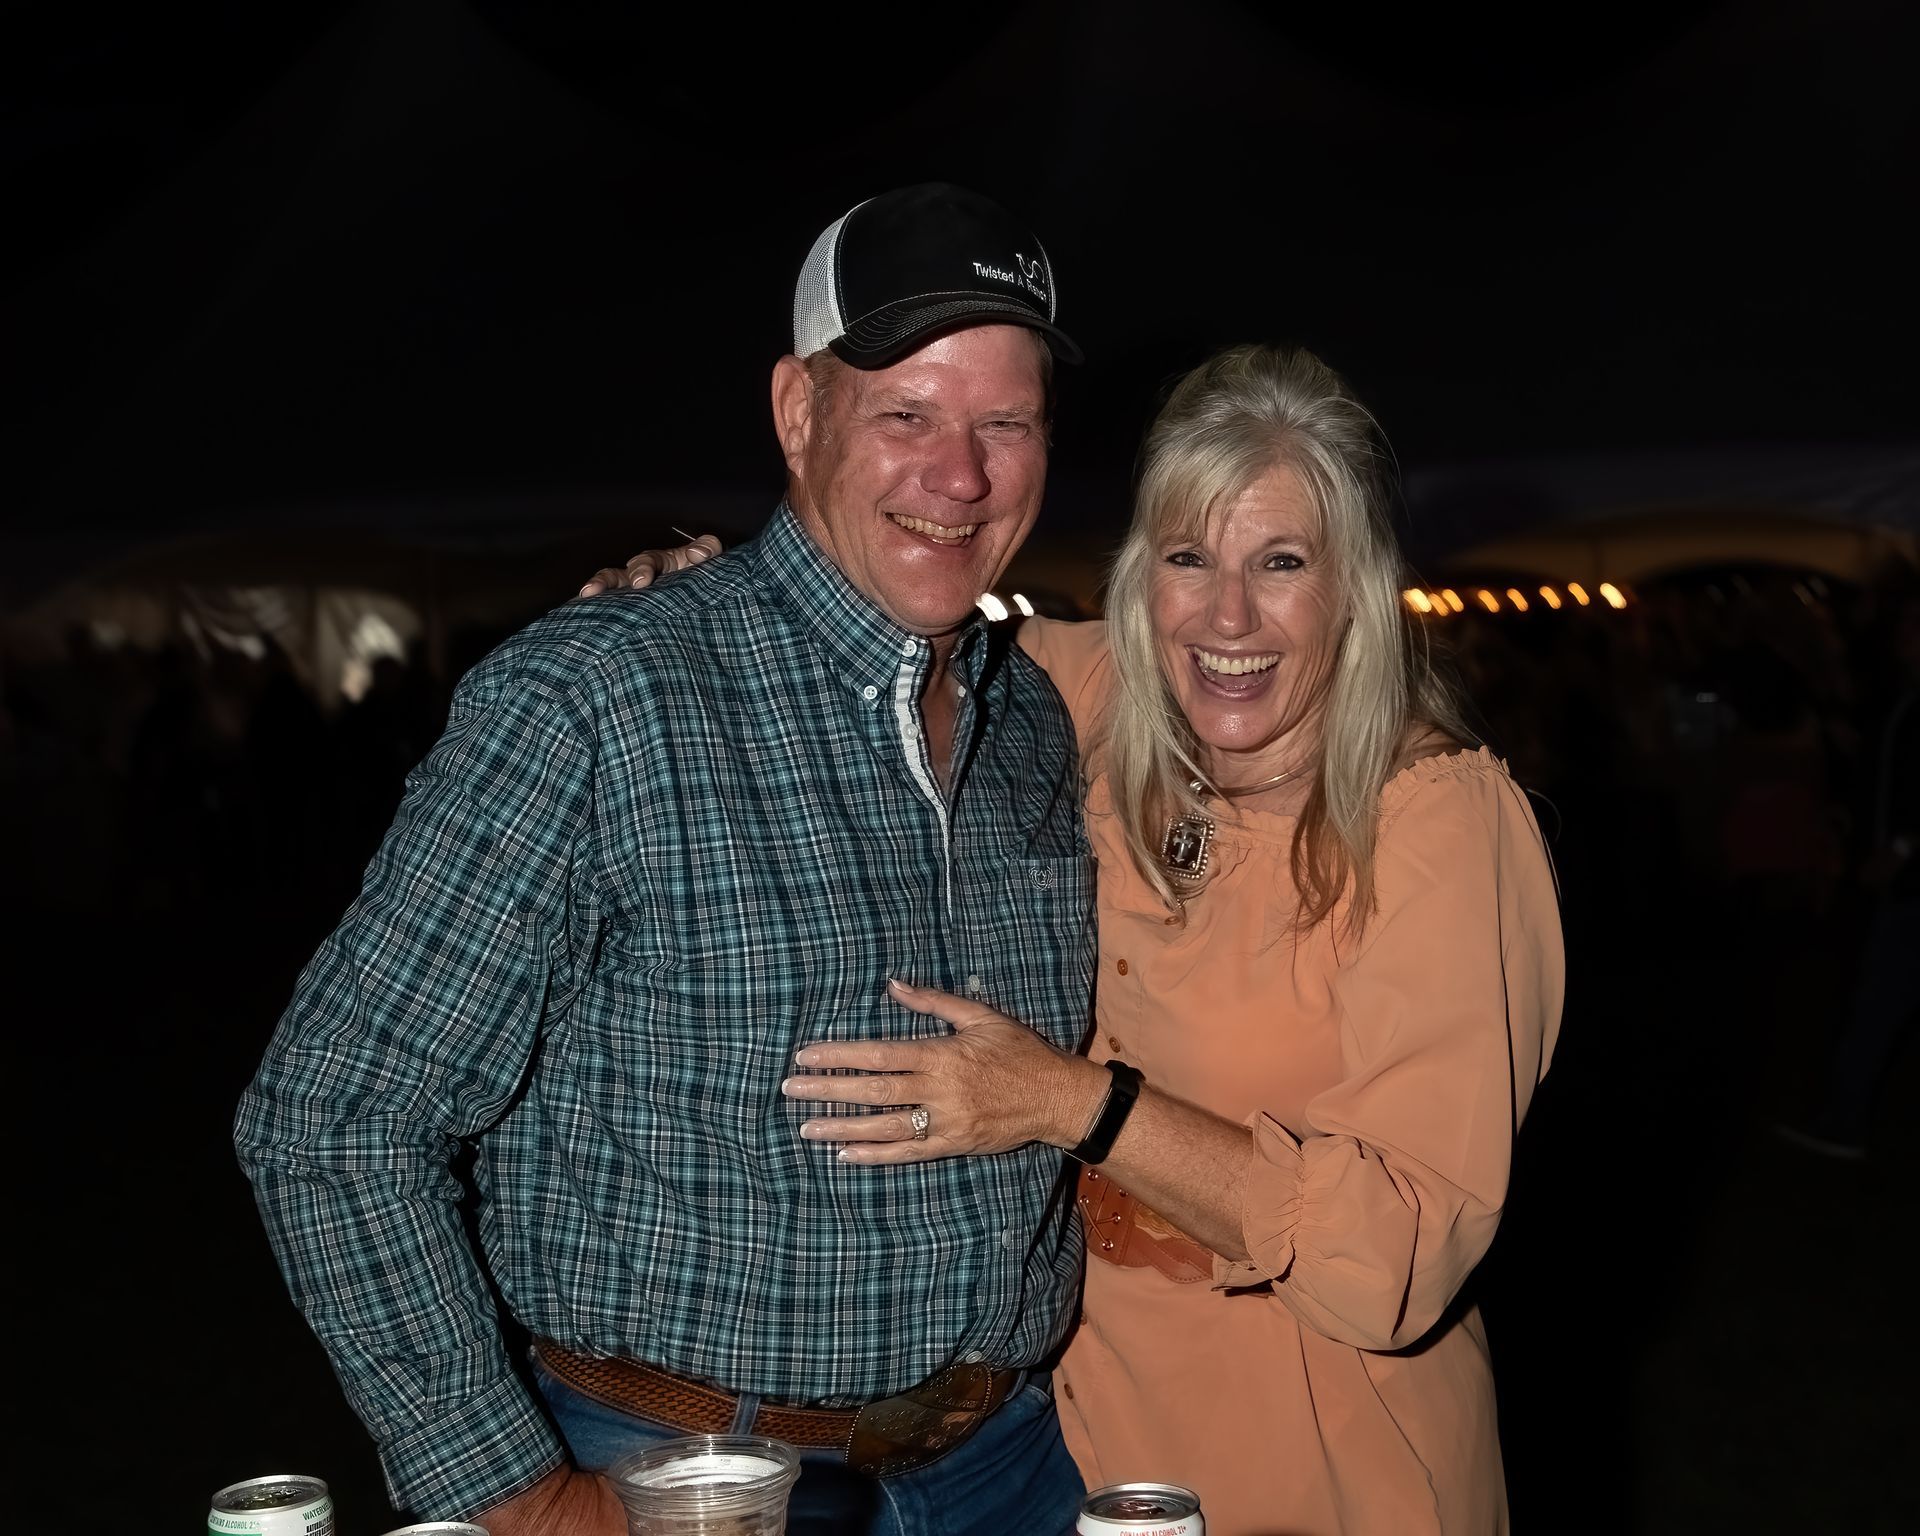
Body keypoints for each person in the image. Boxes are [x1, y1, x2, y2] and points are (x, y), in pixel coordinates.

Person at [234, 184, 1098, 1536]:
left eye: (1006, 423)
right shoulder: (603, 695)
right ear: (798, 415)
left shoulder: (1036, 715)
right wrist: (517, 1501)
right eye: (908, 416)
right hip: (690, 1481)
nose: (962, 475)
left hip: (1013, 1468)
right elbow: (332, 1117)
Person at [599, 344, 1566, 1534]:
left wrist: (1079, 1105)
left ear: (1356, 587)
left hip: (1321, 1459)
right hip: (1081, 1455)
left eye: (1281, 563)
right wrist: (702, 594)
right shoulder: (1099, 695)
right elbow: (869, 609)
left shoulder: (1433, 822)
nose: (1226, 616)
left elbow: (1399, 1259)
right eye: (1186, 558)